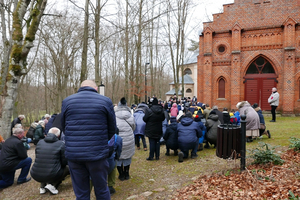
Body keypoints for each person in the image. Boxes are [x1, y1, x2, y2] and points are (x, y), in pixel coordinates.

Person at [61, 80, 116, 200]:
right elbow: (112, 128)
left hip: (74, 155)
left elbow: (64, 127)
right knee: (101, 190)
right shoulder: (105, 101)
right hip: (97, 154)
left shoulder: (67, 101)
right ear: (95, 88)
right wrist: (100, 141)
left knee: (81, 193)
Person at [30, 127, 69, 195]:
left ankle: (42, 187)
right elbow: (64, 162)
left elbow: (38, 157)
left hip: (35, 173)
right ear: (58, 135)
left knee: (45, 164)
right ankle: (52, 185)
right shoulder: (61, 144)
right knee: (67, 168)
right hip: (51, 174)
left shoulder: (40, 142)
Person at [115, 97, 136, 181]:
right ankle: (126, 173)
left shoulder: (114, 116)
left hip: (118, 140)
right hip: (129, 139)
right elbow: (134, 127)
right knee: (127, 156)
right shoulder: (130, 116)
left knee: (118, 157)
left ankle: (121, 174)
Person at [107, 130, 122, 195]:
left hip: (95, 159)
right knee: (113, 168)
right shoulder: (118, 138)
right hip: (110, 159)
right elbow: (119, 151)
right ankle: (110, 187)